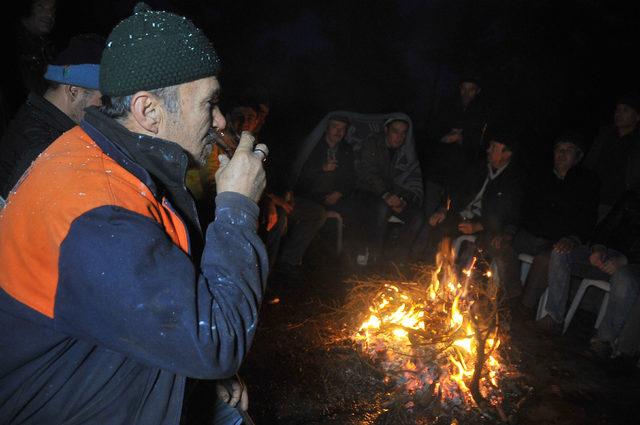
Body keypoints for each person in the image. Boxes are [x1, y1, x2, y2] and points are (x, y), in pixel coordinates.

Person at [0, 3, 268, 425]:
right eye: (209, 104)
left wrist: (194, 375)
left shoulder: (110, 160)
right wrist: (238, 206)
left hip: (96, 365)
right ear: (148, 111)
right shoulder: (97, 213)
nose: (219, 120)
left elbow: (141, 300)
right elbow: (217, 341)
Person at [500, 133, 600, 308]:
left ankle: (525, 307)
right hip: (530, 234)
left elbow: (588, 217)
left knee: (547, 259)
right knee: (501, 244)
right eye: (559, 150)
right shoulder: (540, 176)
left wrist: (573, 238)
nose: (562, 154)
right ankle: (512, 294)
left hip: (556, 240)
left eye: (568, 150)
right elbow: (522, 206)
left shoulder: (587, 182)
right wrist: (510, 230)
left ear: (579, 156)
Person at [0, 33, 104, 197]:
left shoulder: (35, 119)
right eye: (101, 98)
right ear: (74, 92)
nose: (103, 107)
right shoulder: (44, 147)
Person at [427, 127, 524, 297]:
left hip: (488, 227)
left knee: (491, 248)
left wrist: (479, 226)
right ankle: (433, 280)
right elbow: (454, 191)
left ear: (506, 153)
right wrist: (444, 209)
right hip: (462, 217)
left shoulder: (513, 180)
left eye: (494, 147)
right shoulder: (478, 168)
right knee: (438, 224)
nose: (488, 149)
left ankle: (479, 294)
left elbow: (507, 214)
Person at [538, 190, 640, 334]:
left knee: (624, 278)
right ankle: (554, 318)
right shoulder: (632, 197)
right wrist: (597, 247)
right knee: (561, 253)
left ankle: (604, 340)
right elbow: (606, 225)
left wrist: (625, 260)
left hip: (632, 265)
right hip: (608, 253)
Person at [277, 115, 356, 272]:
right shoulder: (312, 146)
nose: (338, 132)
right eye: (335, 127)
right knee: (315, 213)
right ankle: (291, 259)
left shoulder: (346, 149)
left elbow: (351, 178)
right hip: (308, 195)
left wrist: (339, 192)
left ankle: (347, 261)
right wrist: (321, 168)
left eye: (342, 129)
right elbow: (297, 174)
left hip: (333, 196)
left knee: (355, 209)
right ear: (327, 128)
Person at [355, 115, 424, 264]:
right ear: (386, 130)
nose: (399, 137)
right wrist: (386, 195)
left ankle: (396, 261)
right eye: (395, 131)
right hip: (367, 192)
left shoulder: (406, 152)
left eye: (403, 133)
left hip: (392, 196)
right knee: (381, 208)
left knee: (417, 216)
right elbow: (368, 174)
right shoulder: (371, 144)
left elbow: (410, 180)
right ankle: (373, 258)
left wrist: (402, 201)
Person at [584, 93, 640, 217]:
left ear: (637, 117)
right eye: (618, 110)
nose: (619, 114)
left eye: (625, 110)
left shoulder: (636, 143)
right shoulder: (604, 134)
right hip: (591, 196)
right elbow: (590, 161)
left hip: (617, 204)